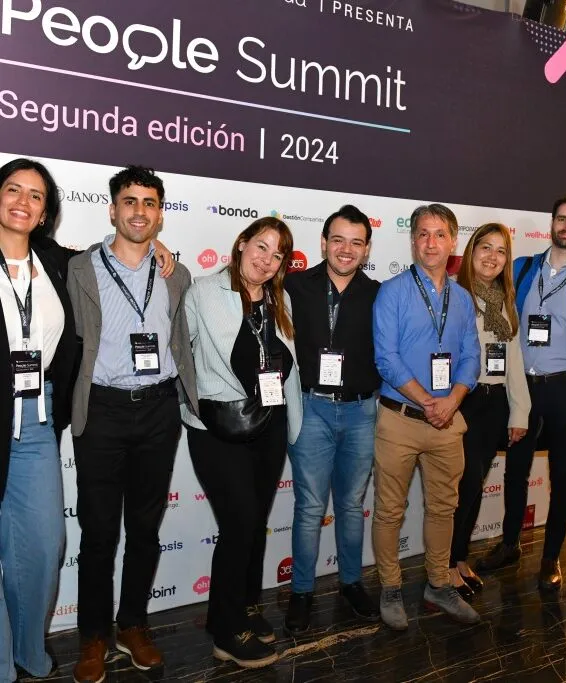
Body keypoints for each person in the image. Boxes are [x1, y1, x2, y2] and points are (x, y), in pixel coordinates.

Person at [68, 166, 198, 683]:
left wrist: (165, 253)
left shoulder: (175, 274)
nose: (139, 211)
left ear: (160, 214)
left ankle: (133, 625)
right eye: (130, 201)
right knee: (99, 532)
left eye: (149, 202)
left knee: (145, 529)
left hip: (159, 410)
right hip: (102, 410)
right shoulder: (80, 267)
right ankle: (93, 636)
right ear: (112, 210)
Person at [476, 193, 566, 590]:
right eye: (562, 218)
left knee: (562, 475)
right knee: (515, 471)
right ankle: (509, 544)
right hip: (521, 388)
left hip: (565, 391)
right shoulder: (522, 268)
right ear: (552, 222)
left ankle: (550, 557)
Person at [182, 216, 302, 669]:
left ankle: (243, 608)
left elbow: (286, 365)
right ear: (241, 244)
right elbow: (180, 353)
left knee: (254, 523)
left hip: (269, 425)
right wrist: (194, 406)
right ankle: (227, 631)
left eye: (277, 255)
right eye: (261, 247)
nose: (267, 260)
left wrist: (291, 423)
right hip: (220, 428)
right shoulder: (204, 291)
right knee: (239, 523)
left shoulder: (279, 299)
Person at [372, 203, 481, 630]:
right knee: (389, 511)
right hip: (399, 419)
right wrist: (428, 402)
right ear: (412, 240)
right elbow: (386, 358)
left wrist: (452, 400)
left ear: (453, 241)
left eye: (439, 234)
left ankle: (438, 583)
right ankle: (390, 587)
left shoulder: (463, 298)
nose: (430, 243)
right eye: (422, 234)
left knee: (443, 508)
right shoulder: (392, 292)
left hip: (447, 421)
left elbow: (471, 357)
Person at [284, 205, 380, 633]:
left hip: (361, 411)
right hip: (311, 409)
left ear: (367, 249)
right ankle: (301, 592)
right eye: (338, 240)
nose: (346, 249)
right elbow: (242, 278)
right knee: (309, 506)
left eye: (356, 242)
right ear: (323, 242)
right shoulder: (294, 285)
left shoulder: (378, 294)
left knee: (351, 504)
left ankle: (351, 583)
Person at [0, 158, 78, 683]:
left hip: (35, 418)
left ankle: (28, 650)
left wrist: (158, 249)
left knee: (45, 545)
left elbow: (114, 254)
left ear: (45, 212)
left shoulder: (54, 261)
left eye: (35, 195)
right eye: (13, 189)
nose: (22, 202)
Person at [449, 223, 531, 596]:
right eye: (485, 247)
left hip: (494, 403)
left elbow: (514, 362)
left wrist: (519, 413)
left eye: (500, 251)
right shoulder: (454, 295)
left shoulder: (505, 302)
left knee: (476, 483)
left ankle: (459, 558)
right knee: (463, 485)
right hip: (462, 400)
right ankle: (447, 562)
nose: (492, 257)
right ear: (471, 251)